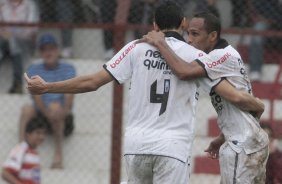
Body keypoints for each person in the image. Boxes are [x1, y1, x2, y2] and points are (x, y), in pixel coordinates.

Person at [24, 2, 264, 183]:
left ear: (154, 26)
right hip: (173, 147)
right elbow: (232, 95)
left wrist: (48, 87)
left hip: (136, 145)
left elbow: (92, 82)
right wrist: (257, 105)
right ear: (183, 23)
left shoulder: (136, 48)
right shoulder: (195, 56)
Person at [140, 12, 269, 183]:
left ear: (213, 36)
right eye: (188, 34)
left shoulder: (220, 56)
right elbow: (242, 106)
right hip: (246, 140)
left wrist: (160, 42)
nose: (189, 39)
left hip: (243, 145)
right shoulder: (223, 56)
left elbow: (184, 72)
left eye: (195, 34)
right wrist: (223, 137)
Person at [19, 34, 76, 169]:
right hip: (42, 113)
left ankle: (58, 154)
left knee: (56, 107)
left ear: (57, 50)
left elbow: (70, 93)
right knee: (26, 109)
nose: (48, 52)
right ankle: (21, 151)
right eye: (44, 49)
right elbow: (36, 96)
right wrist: (47, 112)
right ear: (40, 52)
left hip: (62, 115)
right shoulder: (34, 69)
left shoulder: (68, 68)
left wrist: (63, 110)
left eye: (51, 48)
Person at [0, 0, 39, 93]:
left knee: (13, 42)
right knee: (9, 44)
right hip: (3, 39)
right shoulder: (2, 3)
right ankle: (17, 84)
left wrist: (12, 35)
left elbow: (31, 29)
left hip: (24, 41)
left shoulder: (30, 5)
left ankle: (17, 83)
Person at [2, 117, 46, 184]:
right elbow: (5, 173)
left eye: (43, 133)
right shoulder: (21, 149)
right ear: (28, 134)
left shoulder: (34, 152)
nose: (41, 137)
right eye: (38, 133)